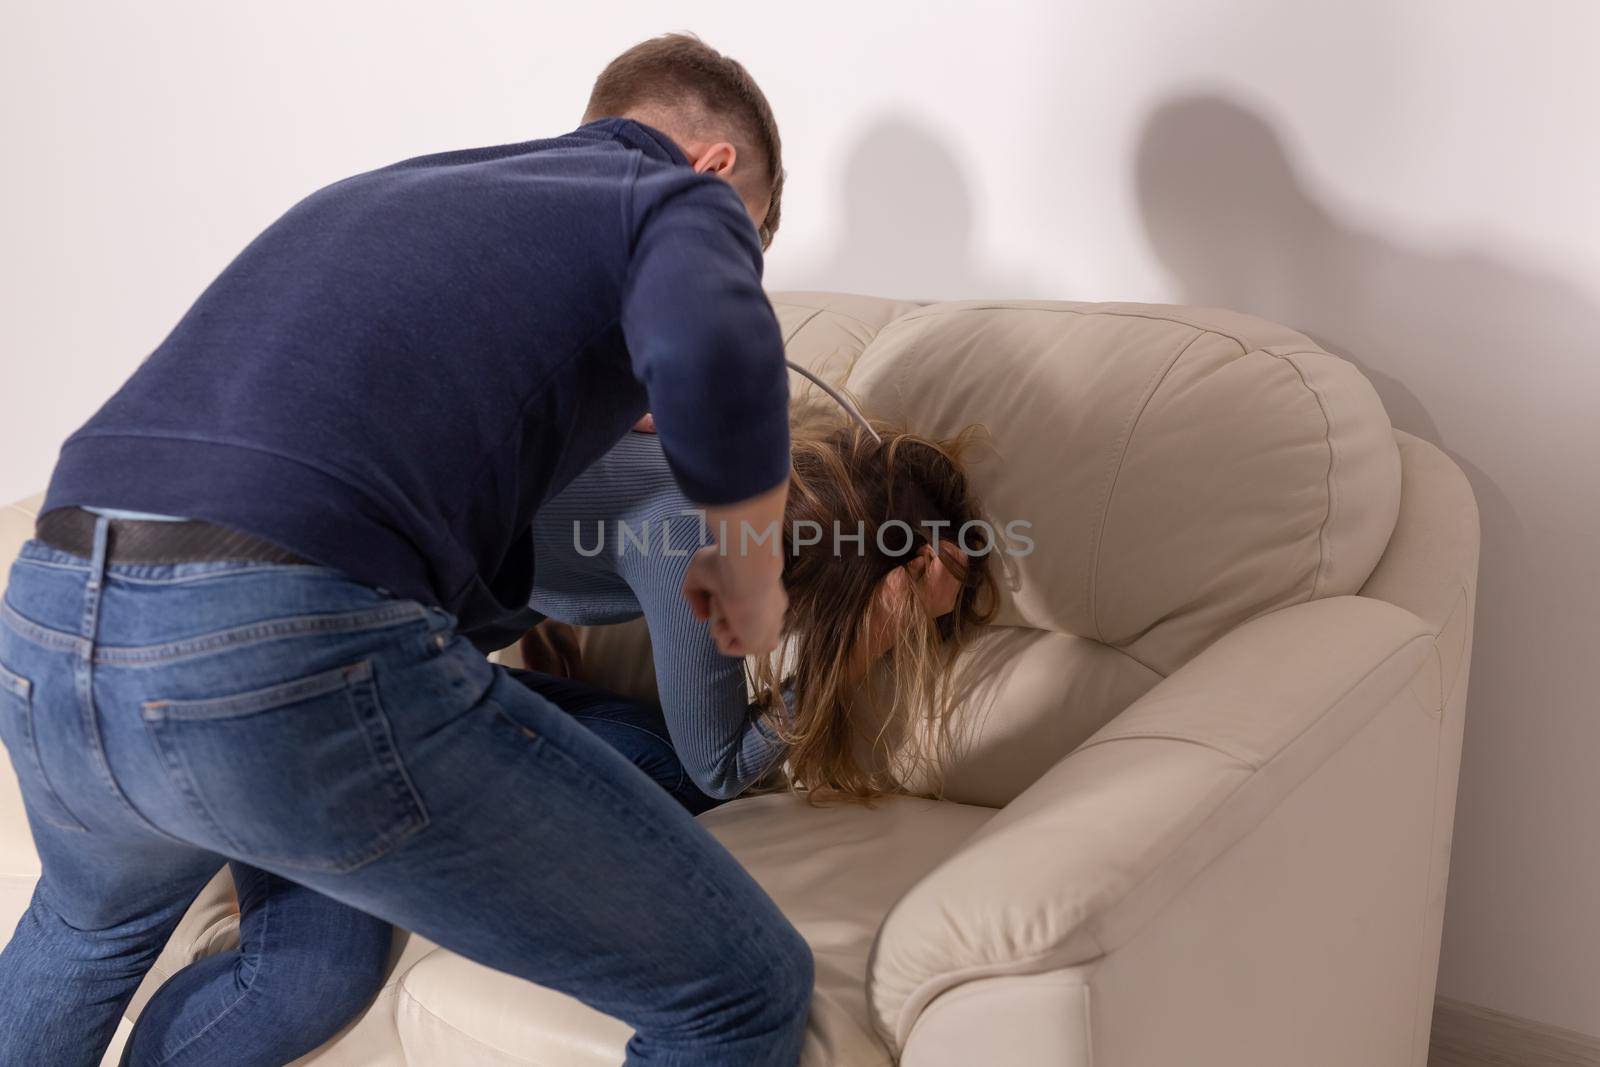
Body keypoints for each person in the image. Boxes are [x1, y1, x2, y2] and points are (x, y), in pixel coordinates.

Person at [0, 34, 811, 1067]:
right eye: (750, 242)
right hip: (271, 649)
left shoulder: (403, 191)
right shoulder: (668, 195)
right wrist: (749, 563)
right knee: (741, 992)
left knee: (104, 943)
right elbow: (717, 347)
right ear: (717, 168)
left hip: (49, 610)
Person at [121, 412, 998, 1064]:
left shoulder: (711, 453)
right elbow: (722, 765)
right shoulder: (703, 537)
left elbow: (513, 549)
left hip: (369, 662)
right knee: (308, 978)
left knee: (650, 758)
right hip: (296, 688)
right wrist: (843, 664)